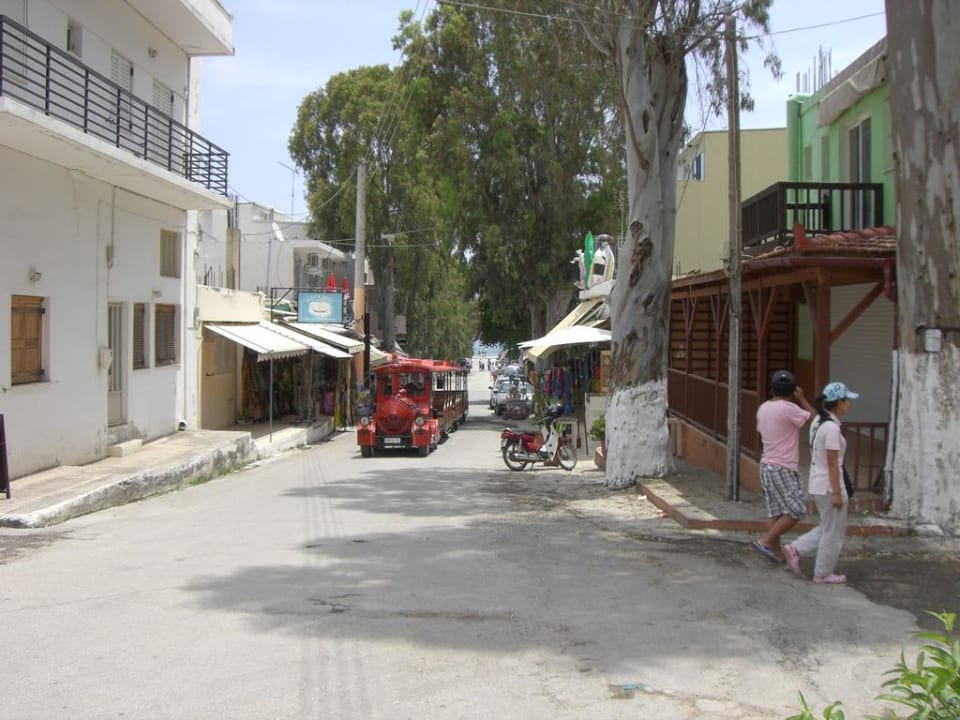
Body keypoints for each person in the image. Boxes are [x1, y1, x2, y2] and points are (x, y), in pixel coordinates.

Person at [783, 381, 859, 584]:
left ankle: (796, 548)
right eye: (846, 400)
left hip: (817, 483)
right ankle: (823, 572)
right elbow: (833, 464)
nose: (848, 404)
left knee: (828, 527)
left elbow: (813, 415)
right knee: (833, 533)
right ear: (838, 402)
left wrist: (801, 399)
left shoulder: (819, 423)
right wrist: (836, 493)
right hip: (829, 485)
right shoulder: (832, 429)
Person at [753, 370, 815, 564]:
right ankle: (767, 541)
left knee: (776, 511)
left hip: (766, 464)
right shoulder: (790, 408)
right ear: (792, 390)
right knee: (797, 510)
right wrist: (802, 398)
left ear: (772, 388)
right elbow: (814, 419)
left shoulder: (763, 408)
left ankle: (776, 552)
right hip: (784, 466)